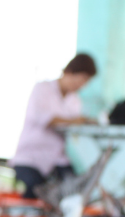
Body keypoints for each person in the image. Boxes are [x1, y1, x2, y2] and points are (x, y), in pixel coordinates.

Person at [9, 54, 97, 199]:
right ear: (69, 72)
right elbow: (47, 119)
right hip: (30, 158)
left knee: (73, 190)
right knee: (35, 190)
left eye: (86, 82)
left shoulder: (75, 100)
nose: (82, 85)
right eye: (82, 79)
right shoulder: (42, 88)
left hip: (57, 160)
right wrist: (76, 121)